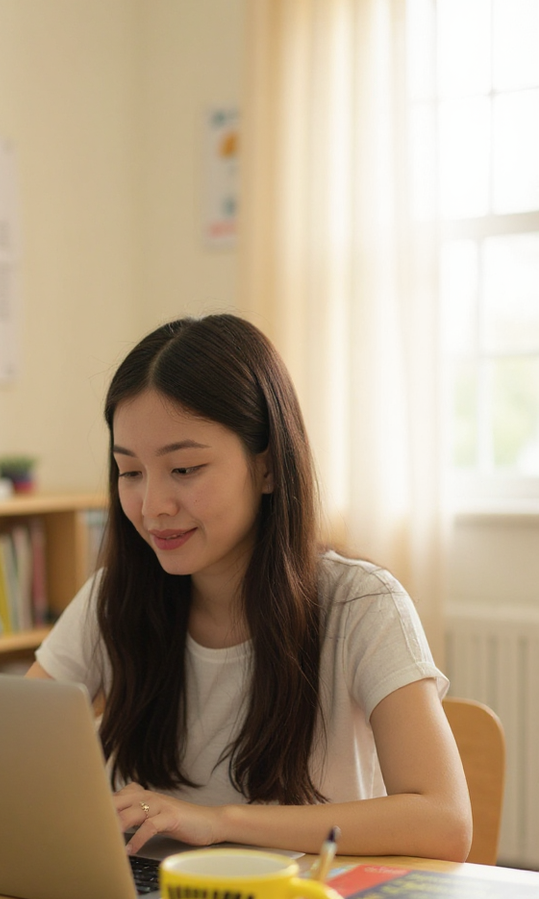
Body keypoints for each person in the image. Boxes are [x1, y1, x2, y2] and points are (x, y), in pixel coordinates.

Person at [28, 314, 472, 862]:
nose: (152, 506)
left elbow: (444, 821)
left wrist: (219, 823)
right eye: (130, 472)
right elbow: (8, 751)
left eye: (185, 469)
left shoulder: (361, 606)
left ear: (266, 468)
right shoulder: (112, 599)